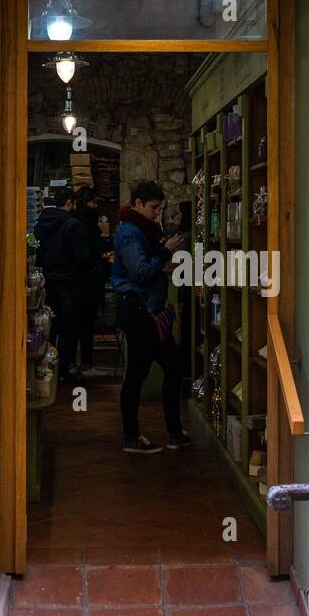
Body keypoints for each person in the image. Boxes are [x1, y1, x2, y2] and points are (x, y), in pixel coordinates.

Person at [111, 180, 190, 454]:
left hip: (146, 311)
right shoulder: (131, 233)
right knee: (140, 374)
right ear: (138, 204)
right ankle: (136, 437)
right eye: (154, 208)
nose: (157, 213)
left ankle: (173, 432)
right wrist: (166, 250)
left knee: (170, 366)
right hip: (140, 311)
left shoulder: (140, 229)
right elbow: (141, 272)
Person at [33, 187, 92, 382]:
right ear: (69, 203)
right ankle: (64, 367)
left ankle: (45, 365)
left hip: (48, 281)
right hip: (70, 282)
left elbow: (37, 252)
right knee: (69, 327)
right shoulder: (74, 225)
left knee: (50, 325)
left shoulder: (41, 224)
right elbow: (82, 257)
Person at [72, 185, 110, 375]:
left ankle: (70, 361)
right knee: (87, 322)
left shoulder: (72, 220)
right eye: (94, 202)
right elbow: (98, 246)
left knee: (74, 322)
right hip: (89, 279)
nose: (96, 206)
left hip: (74, 279)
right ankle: (86, 361)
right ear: (89, 202)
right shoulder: (89, 221)